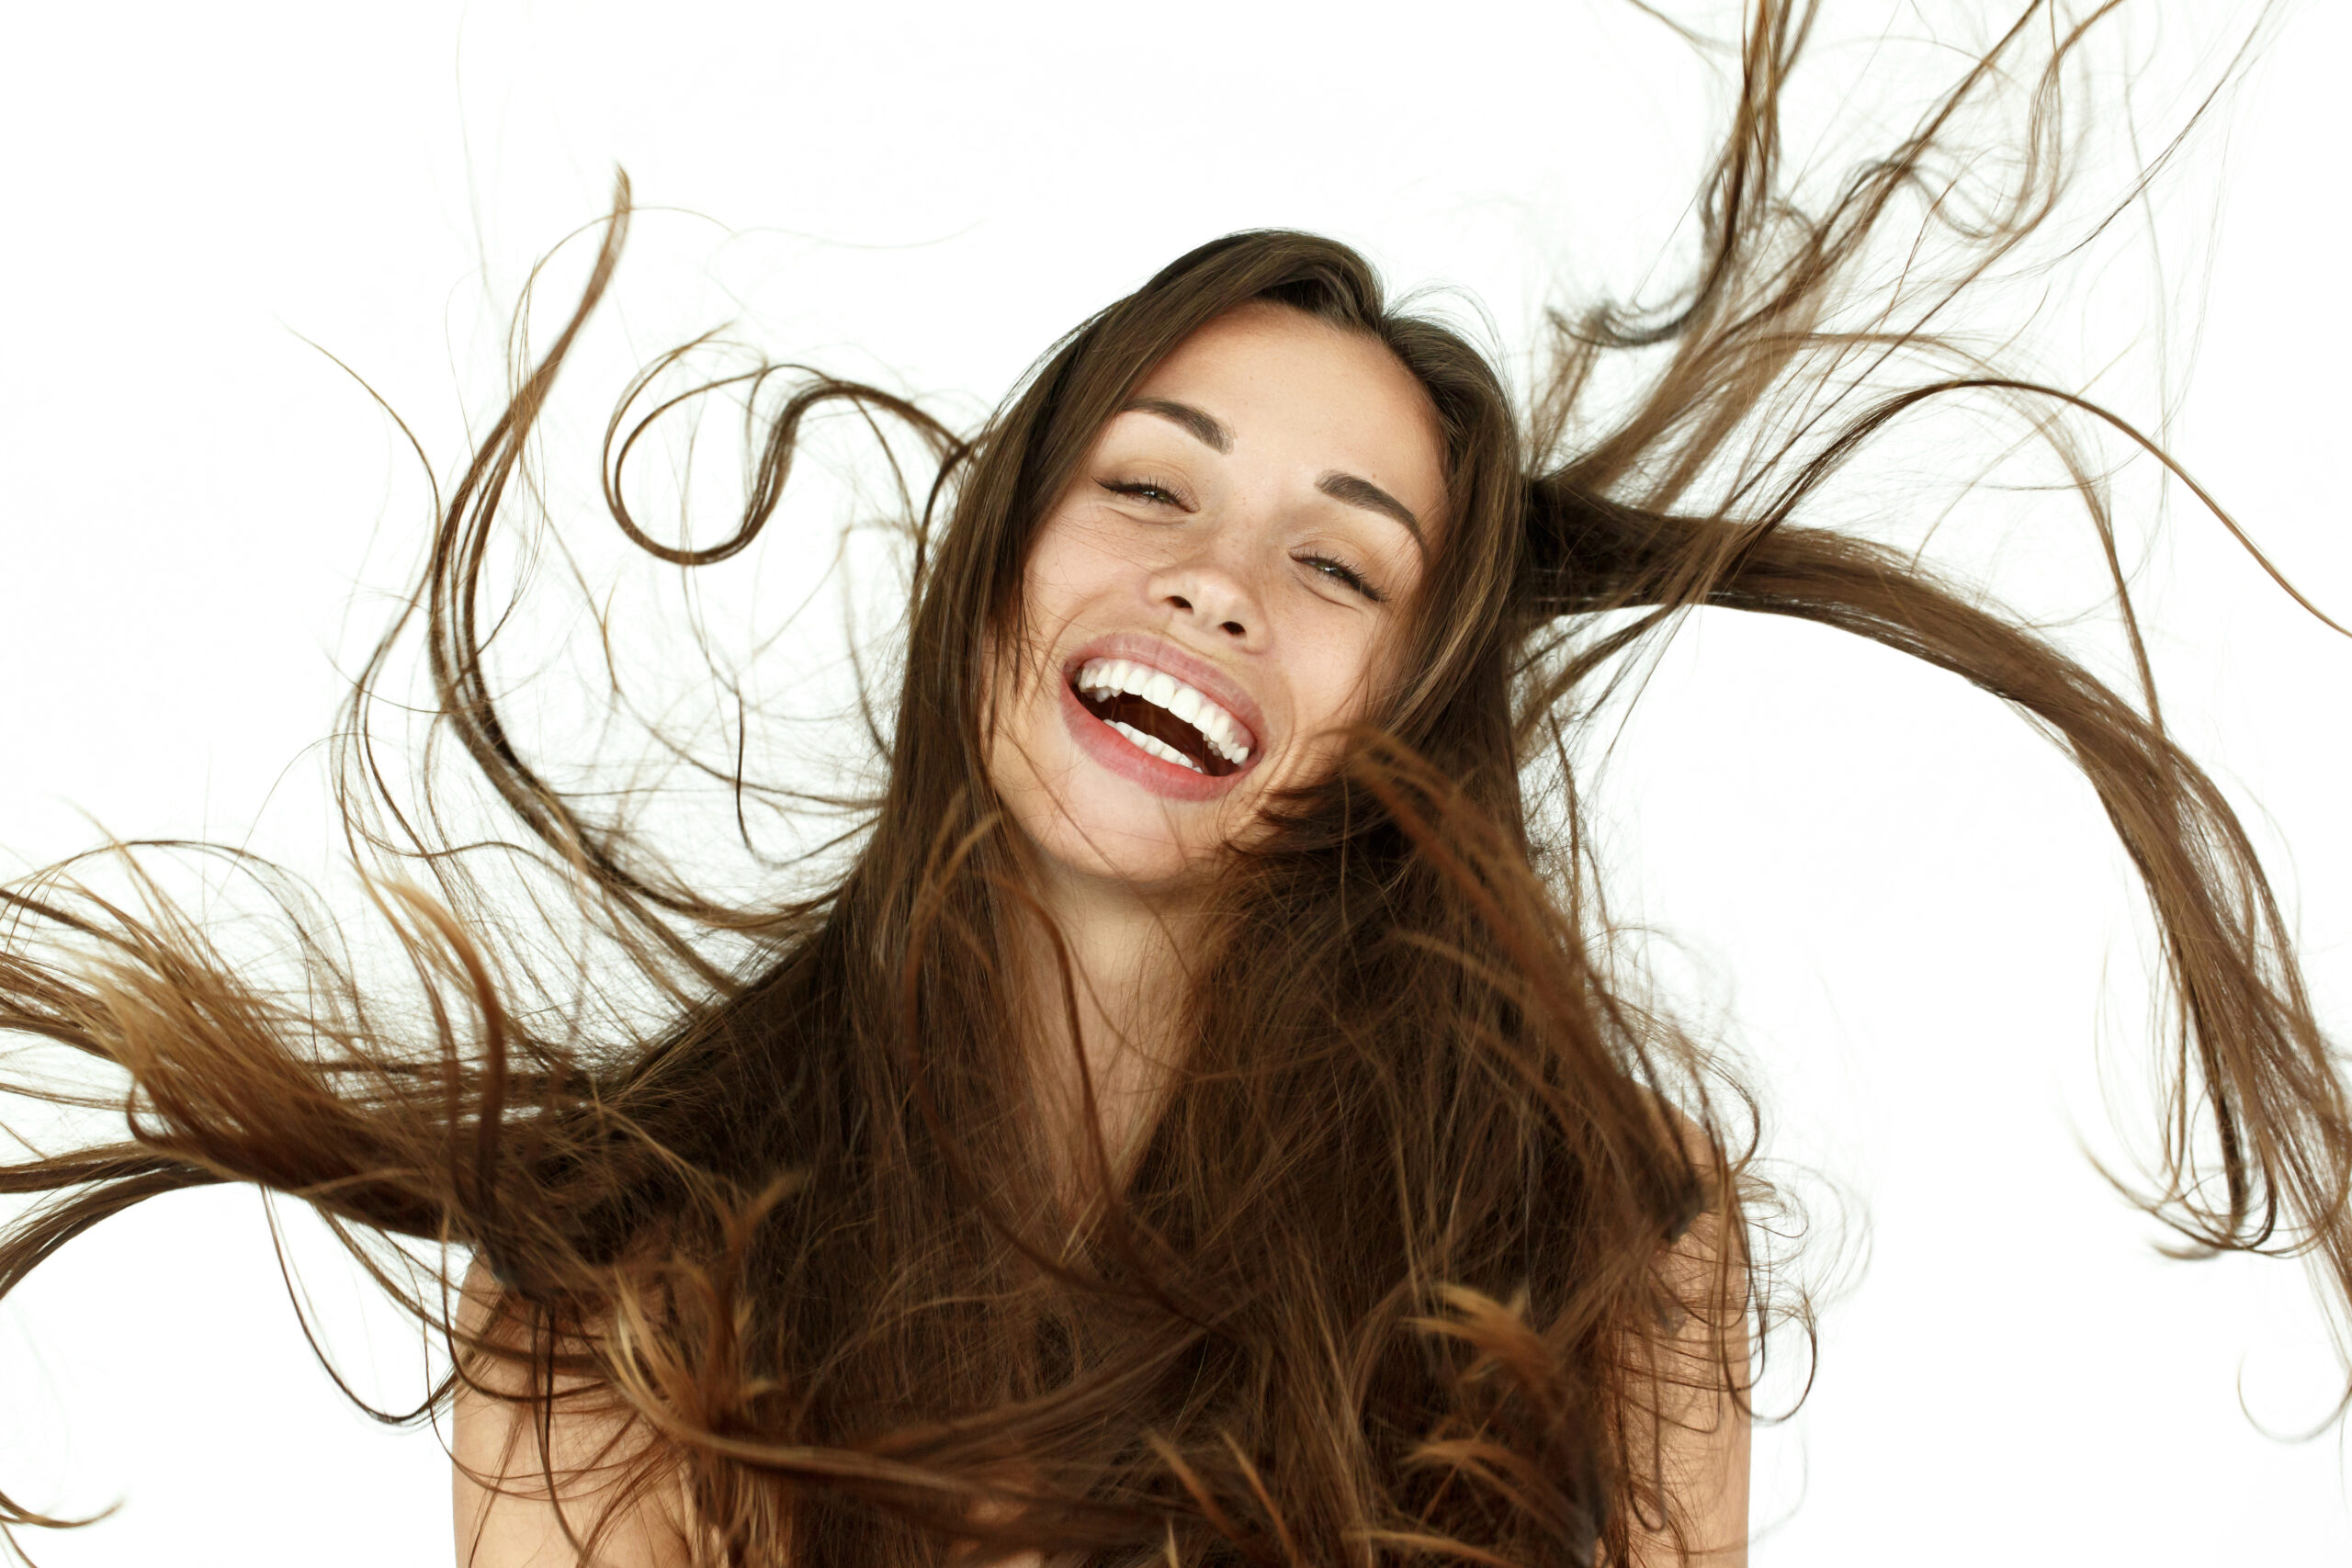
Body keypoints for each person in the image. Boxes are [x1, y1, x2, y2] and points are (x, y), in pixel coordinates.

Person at [2, 5, 2346, 1565]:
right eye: (1149, 487)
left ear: (1405, 714)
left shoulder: (1607, 1241)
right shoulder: (619, 1269)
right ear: (992, 585)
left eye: (1341, 559)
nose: (1222, 580)